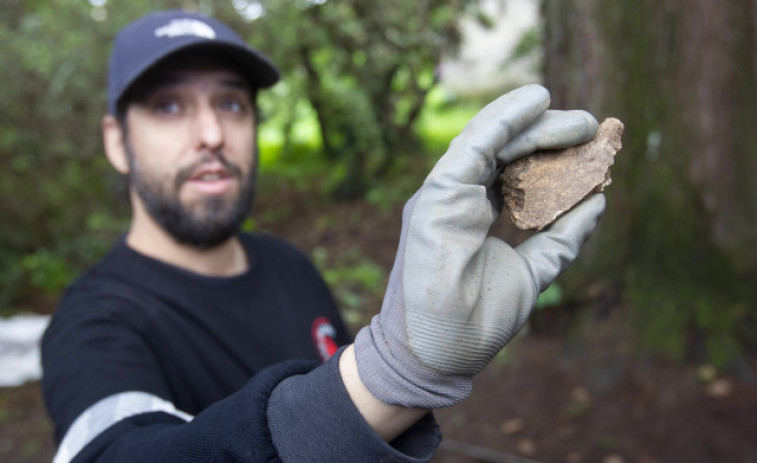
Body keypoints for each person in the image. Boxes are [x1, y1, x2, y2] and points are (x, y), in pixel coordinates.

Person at [41, 9, 606, 463]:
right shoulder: (92, 323)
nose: (211, 133)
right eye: (169, 106)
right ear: (117, 141)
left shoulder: (290, 266)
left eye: (232, 103)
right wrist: (394, 376)